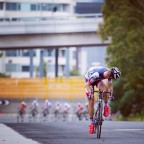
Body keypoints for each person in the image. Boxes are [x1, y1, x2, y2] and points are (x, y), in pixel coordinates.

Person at [84, 66, 121, 134]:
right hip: (89, 80)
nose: (111, 79)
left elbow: (110, 86)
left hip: (98, 79)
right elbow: (87, 85)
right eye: (112, 78)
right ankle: (92, 123)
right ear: (109, 75)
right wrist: (90, 94)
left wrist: (110, 94)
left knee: (105, 90)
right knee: (91, 101)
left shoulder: (109, 73)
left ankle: (106, 106)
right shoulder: (97, 74)